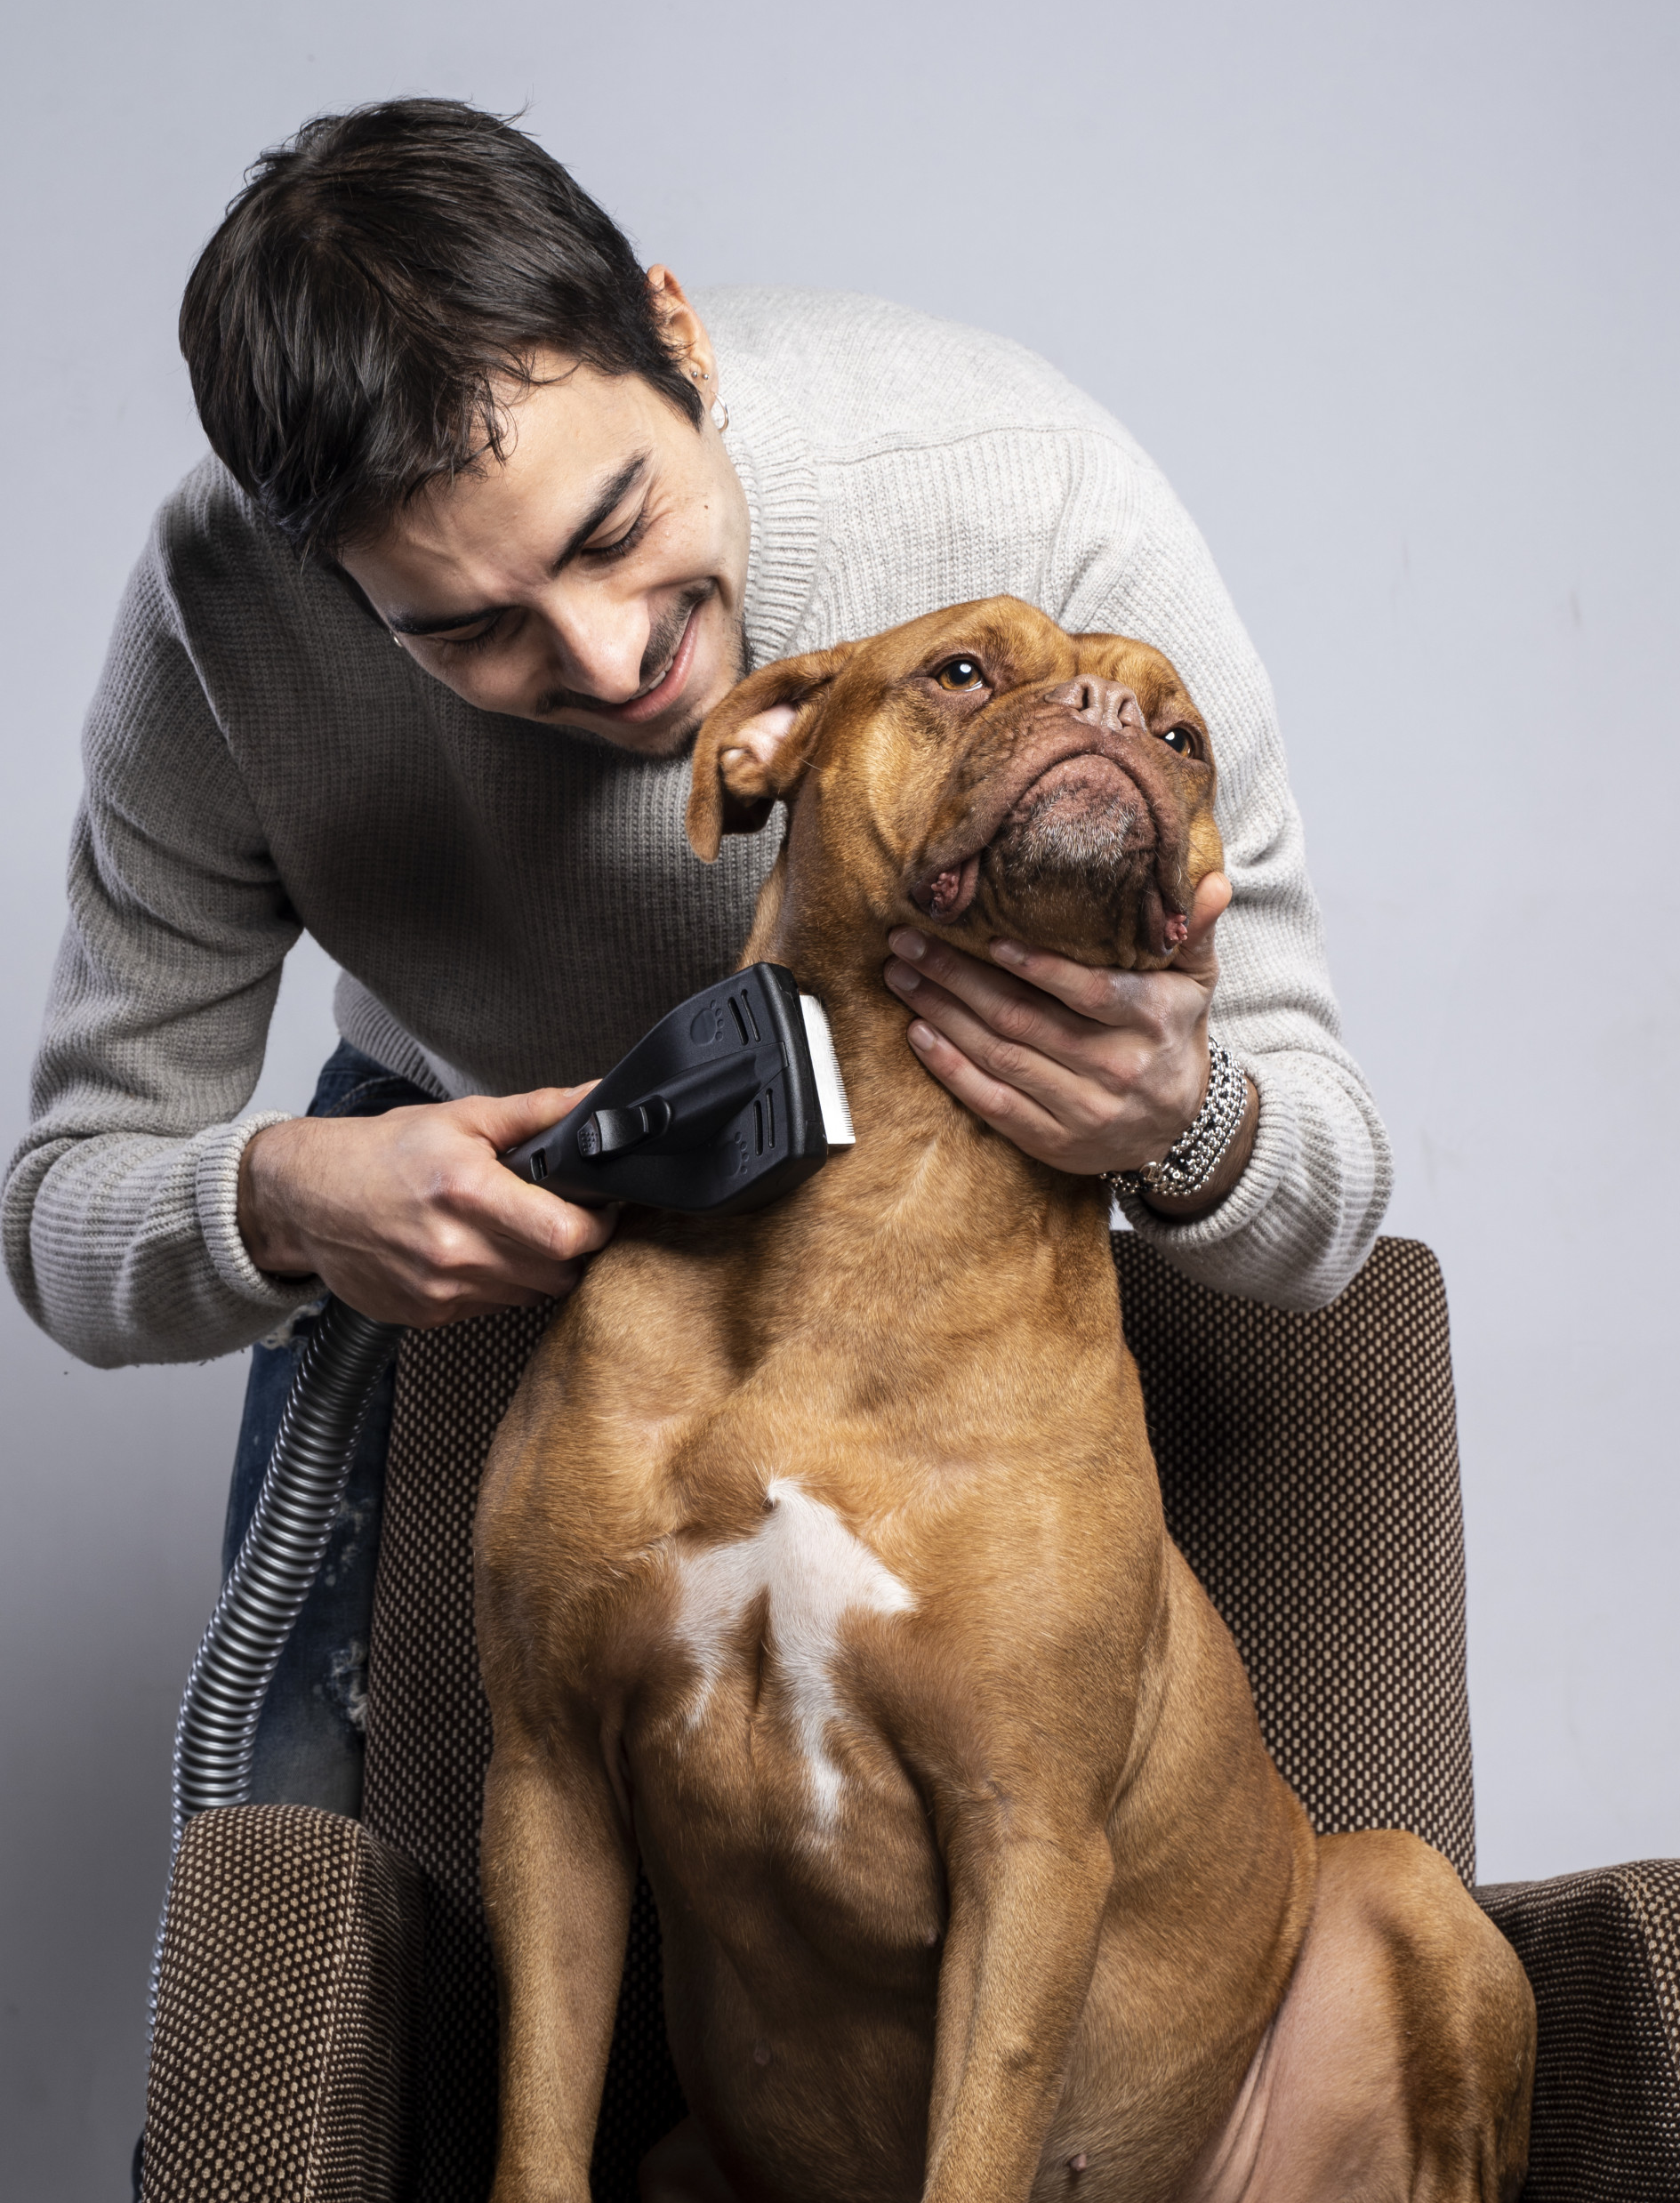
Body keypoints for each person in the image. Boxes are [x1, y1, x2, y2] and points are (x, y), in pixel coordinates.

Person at [4, 96, 1392, 1817]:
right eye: (468, 627)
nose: (604, 661)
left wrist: (1176, 1118)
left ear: (672, 332)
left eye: (613, 529)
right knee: (289, 1902)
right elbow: (64, 1214)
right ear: (326, 586)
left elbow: (1330, 1187)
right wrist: (290, 1199)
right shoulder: (223, 621)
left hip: (971, 1222)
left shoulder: (1029, 501)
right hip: (485, 1191)